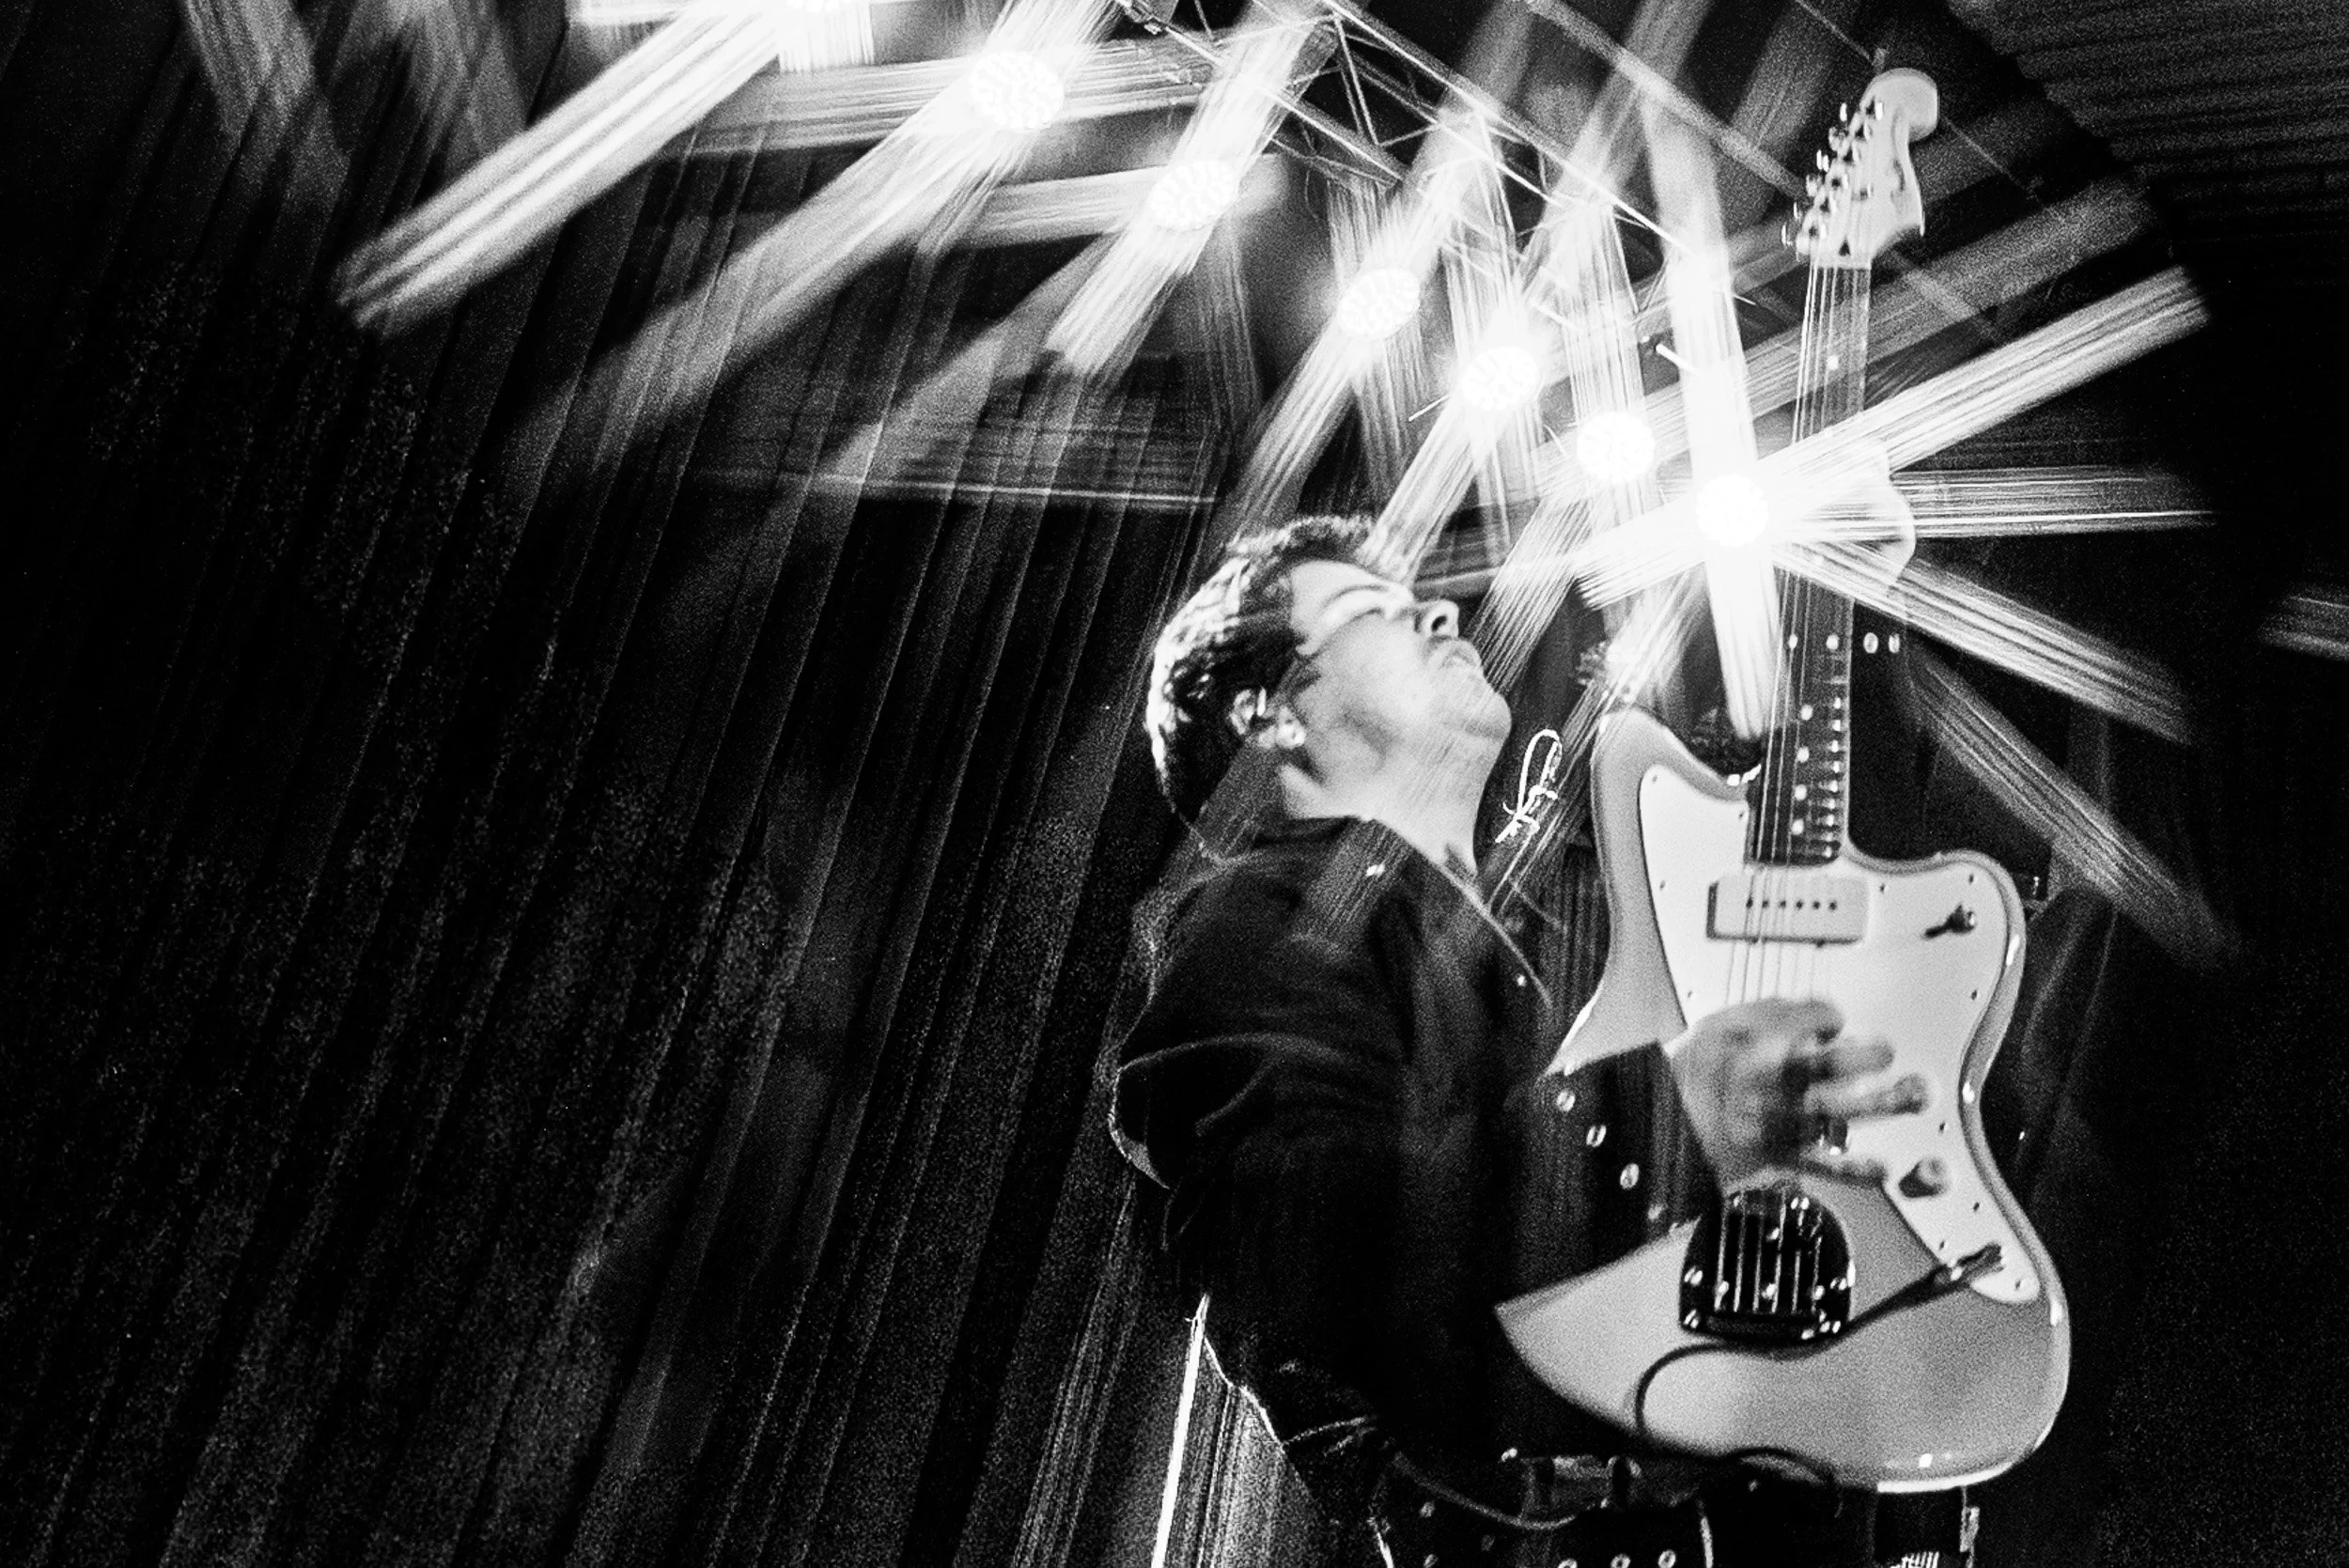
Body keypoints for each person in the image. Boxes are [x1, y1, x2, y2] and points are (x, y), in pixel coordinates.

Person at [1112, 515, 1950, 1568]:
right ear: (1270, 712)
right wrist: (1663, 1116)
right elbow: (1303, 1245)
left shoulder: (1565, 916)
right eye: (1370, 610)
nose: (1438, 611)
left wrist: (1847, 616)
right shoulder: (1252, 925)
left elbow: (1832, 915)